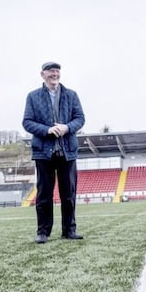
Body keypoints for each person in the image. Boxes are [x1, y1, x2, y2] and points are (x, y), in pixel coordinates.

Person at [23, 62, 86, 244]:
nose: (54, 74)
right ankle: (43, 232)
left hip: (67, 151)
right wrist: (48, 130)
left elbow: (80, 118)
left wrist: (66, 127)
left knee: (68, 194)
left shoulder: (71, 95)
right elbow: (27, 122)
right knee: (44, 194)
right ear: (42, 74)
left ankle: (69, 230)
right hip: (44, 152)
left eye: (57, 71)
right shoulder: (33, 96)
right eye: (50, 71)